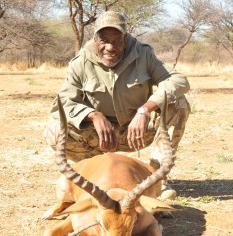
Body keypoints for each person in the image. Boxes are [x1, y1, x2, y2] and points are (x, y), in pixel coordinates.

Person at [44, 11, 190, 199]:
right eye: (104, 40)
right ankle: (95, 173)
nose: (110, 47)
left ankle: (155, 179)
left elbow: (178, 81)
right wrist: (93, 115)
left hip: (136, 131)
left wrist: (145, 109)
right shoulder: (81, 61)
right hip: (100, 136)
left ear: (126, 39)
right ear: (95, 38)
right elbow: (65, 100)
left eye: (117, 40)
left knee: (178, 103)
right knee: (55, 130)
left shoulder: (144, 54)